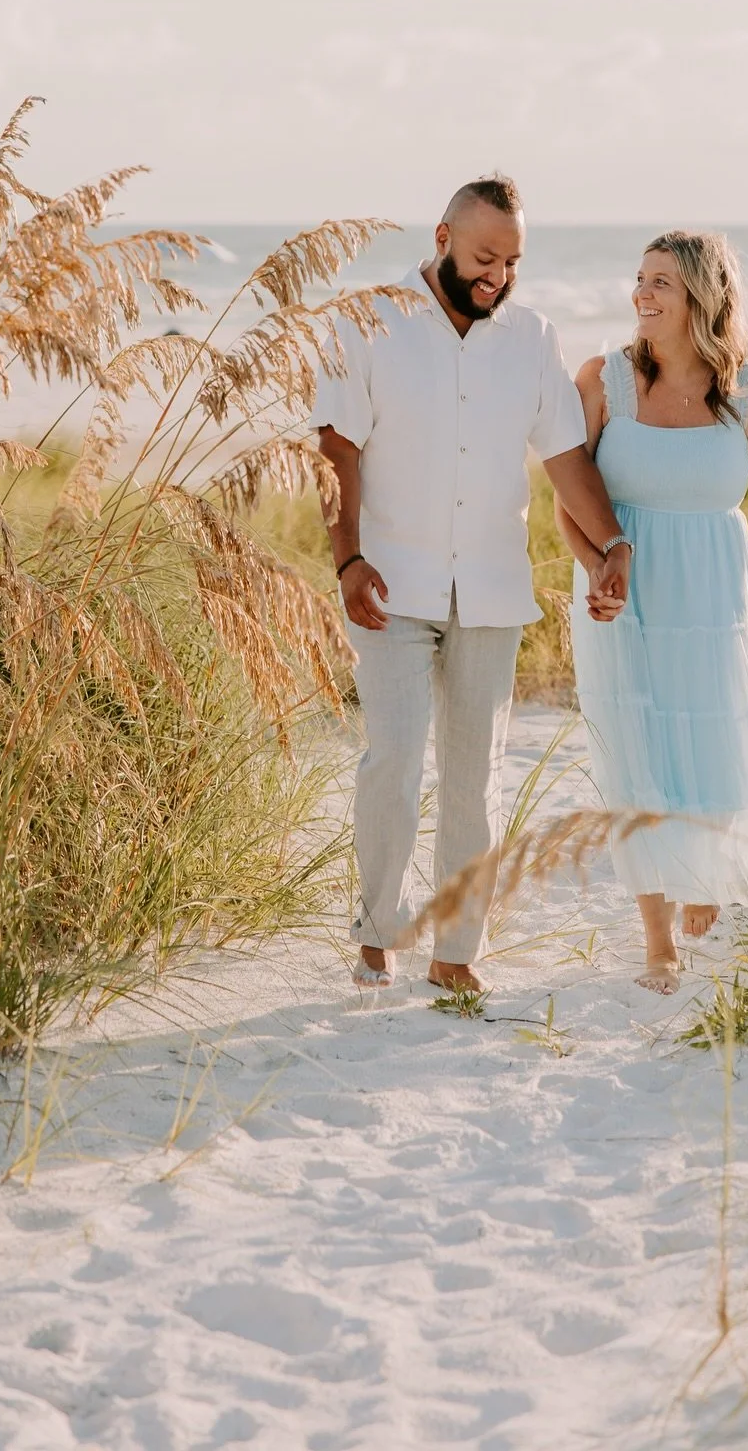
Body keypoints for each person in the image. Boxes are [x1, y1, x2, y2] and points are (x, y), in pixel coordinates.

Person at [316, 177, 631, 995]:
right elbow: (336, 450)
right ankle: (377, 932)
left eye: (513, 260)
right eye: (485, 256)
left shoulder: (532, 339)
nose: (497, 275)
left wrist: (610, 547)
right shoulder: (370, 323)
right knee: (391, 758)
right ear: (443, 237)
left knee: (475, 773)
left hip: (491, 586)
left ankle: (456, 949)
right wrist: (346, 558)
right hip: (389, 579)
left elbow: (566, 458)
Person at [555, 229, 748, 995]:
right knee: (637, 754)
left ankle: (702, 881)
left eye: (661, 285)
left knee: (713, 750)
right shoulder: (604, 379)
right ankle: (657, 941)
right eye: (638, 280)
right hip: (625, 597)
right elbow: (567, 497)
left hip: (715, 597)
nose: (642, 296)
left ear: (702, 300)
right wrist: (596, 572)